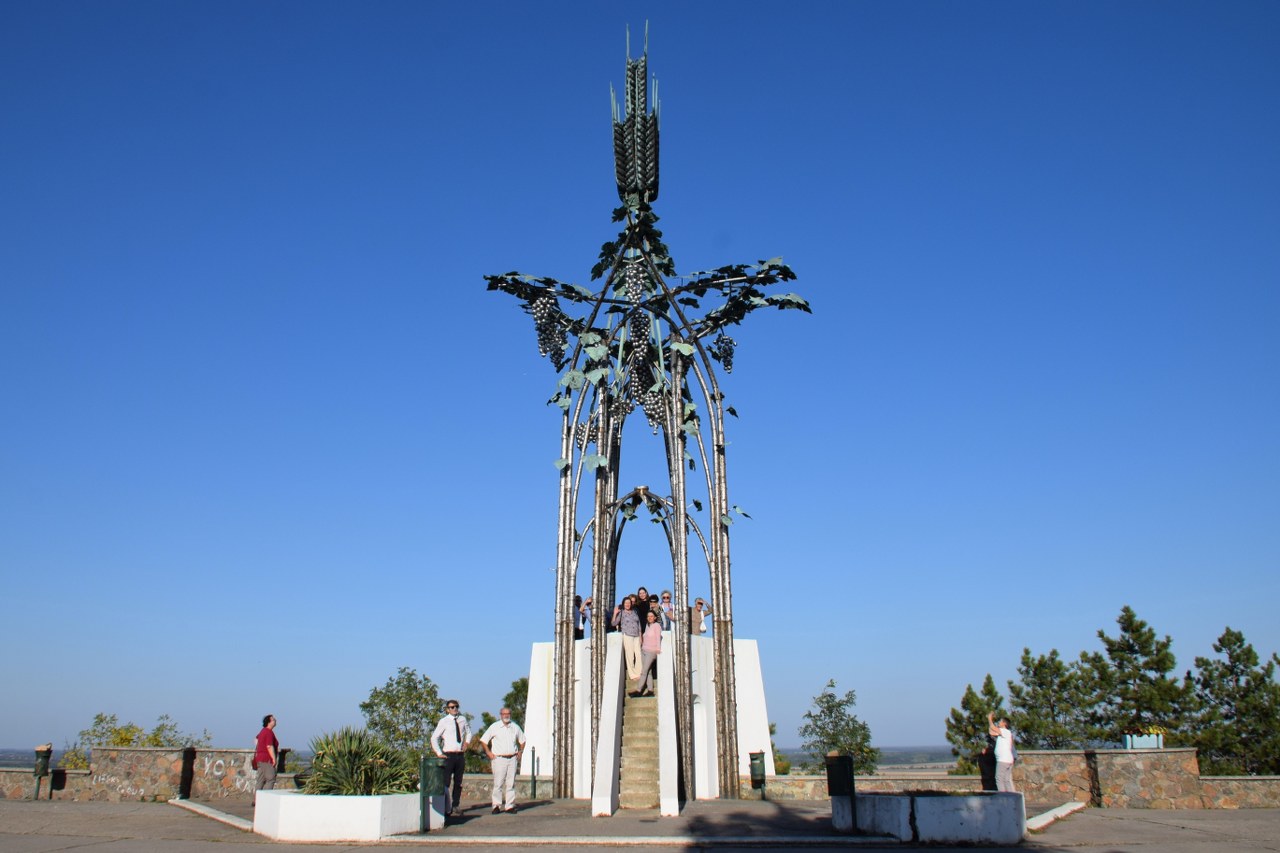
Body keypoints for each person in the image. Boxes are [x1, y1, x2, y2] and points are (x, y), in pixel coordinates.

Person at [480, 707, 526, 814]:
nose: (506, 715)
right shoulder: (494, 727)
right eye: (504, 713)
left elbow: (523, 740)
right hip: (499, 758)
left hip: (512, 758)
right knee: (498, 783)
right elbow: (483, 740)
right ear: (500, 715)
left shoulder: (515, 727)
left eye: (508, 713)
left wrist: (520, 751)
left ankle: (509, 806)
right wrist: (488, 752)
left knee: (511, 784)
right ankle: (496, 805)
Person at [431, 699, 473, 816]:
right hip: (448, 755)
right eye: (452, 707)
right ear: (447, 709)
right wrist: (439, 753)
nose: (454, 709)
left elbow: (469, 732)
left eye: (456, 707)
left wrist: (467, 743)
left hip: (459, 755)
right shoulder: (444, 721)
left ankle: (455, 805)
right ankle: (446, 807)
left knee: (458, 782)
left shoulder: (462, 719)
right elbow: (434, 738)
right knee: (446, 782)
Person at [612, 596, 643, 681]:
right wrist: (615, 613)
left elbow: (639, 624)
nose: (627, 604)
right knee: (630, 656)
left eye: (629, 603)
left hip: (636, 635)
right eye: (626, 603)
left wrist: (640, 636)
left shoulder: (634, 612)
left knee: (639, 655)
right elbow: (614, 623)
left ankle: (639, 672)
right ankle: (633, 675)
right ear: (623, 604)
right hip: (627, 635)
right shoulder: (621, 613)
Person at [633, 611, 662, 696]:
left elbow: (658, 638)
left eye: (651, 616)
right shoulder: (647, 626)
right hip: (644, 650)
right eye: (648, 616)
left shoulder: (657, 626)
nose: (650, 618)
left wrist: (658, 649)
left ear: (655, 617)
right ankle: (650, 690)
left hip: (651, 652)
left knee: (644, 671)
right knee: (648, 671)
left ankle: (638, 690)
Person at [988, 712, 1016, 792]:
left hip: (1003, 760)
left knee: (999, 779)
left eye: (1000, 721)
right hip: (1007, 760)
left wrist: (989, 718)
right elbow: (991, 731)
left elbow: (993, 728)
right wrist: (991, 721)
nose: (999, 723)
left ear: (1004, 723)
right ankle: (1011, 796)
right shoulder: (1003, 733)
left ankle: (1003, 796)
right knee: (1006, 780)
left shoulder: (1005, 731)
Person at [254, 714, 279, 791]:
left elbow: (256, 739)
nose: (275, 720)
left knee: (260, 780)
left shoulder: (263, 731)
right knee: (271, 778)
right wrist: (273, 759)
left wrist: (260, 748)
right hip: (266, 759)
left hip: (260, 758)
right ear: (269, 722)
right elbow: (269, 746)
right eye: (273, 720)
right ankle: (267, 796)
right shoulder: (268, 732)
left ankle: (257, 797)